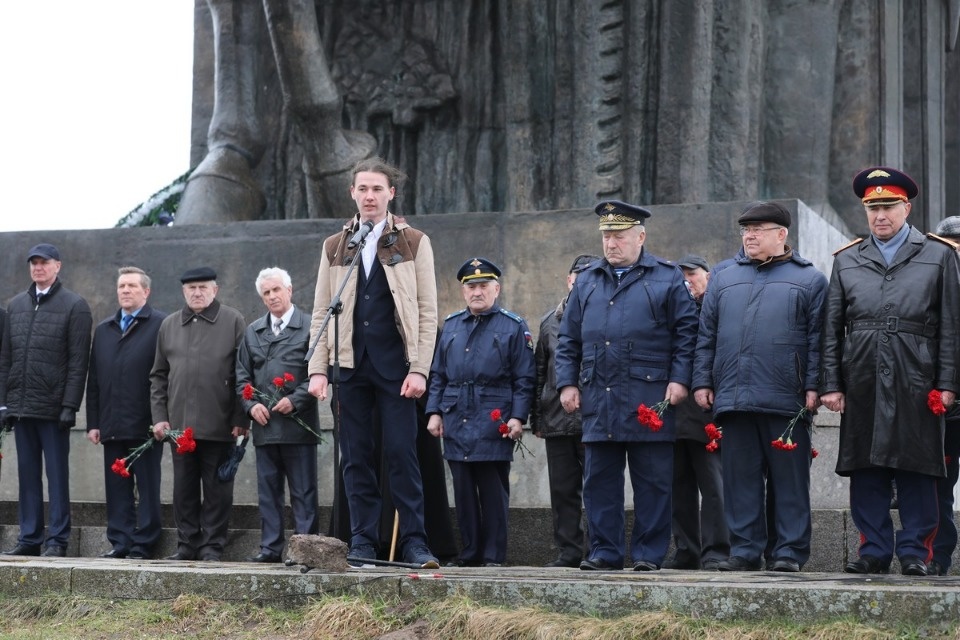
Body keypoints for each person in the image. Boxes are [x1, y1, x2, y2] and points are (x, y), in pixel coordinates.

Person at [820, 167, 960, 577]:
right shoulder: (847, 259)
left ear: (906, 208)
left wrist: (948, 383)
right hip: (861, 375)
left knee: (918, 466)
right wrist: (831, 383)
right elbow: (831, 327)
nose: (880, 215)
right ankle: (874, 550)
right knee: (866, 467)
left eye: (888, 207)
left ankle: (915, 550)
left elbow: (951, 326)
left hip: (917, 374)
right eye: (873, 207)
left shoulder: (937, 254)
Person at [308, 157, 440, 569]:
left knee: (402, 453)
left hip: (396, 367)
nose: (369, 196)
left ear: (391, 194)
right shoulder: (336, 245)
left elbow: (427, 310)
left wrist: (419, 367)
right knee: (356, 456)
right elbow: (320, 311)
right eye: (362, 189)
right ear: (352, 193)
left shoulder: (413, 241)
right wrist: (316, 368)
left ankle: (415, 542)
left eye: (377, 189)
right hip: (350, 367)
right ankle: (362, 540)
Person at [556, 201, 699, 571]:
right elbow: (568, 338)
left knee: (653, 482)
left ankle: (649, 555)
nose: (611, 244)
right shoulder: (587, 280)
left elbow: (687, 334)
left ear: (641, 236)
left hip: (648, 396)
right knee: (600, 482)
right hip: (598, 395)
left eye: (619, 236)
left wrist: (680, 379)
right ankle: (604, 552)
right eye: (606, 236)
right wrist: (567, 383)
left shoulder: (667, 277)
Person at [693, 204, 827, 572]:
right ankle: (745, 551)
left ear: (781, 235)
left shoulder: (810, 280)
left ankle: (788, 552)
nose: (749, 236)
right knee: (740, 480)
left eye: (758, 229)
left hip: (787, 398)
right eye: (745, 230)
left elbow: (818, 340)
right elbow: (707, 336)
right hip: (734, 396)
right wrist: (702, 380)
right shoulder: (723, 277)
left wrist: (814, 385)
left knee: (789, 482)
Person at [426, 258, 536, 567]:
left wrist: (517, 417)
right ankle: (470, 553)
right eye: (471, 287)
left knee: (492, 491)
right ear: (463, 291)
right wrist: (434, 412)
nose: (477, 292)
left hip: (493, 417)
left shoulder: (513, 326)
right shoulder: (451, 325)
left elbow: (524, 378)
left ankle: (493, 555)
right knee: (462, 492)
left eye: (483, 286)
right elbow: (438, 374)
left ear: (496, 289)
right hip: (456, 415)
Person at [0, 243, 92, 557]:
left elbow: (79, 361)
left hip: (54, 410)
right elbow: (6, 359)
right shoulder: (16, 305)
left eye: (44, 262)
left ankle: (57, 539)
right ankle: (29, 538)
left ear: (57, 266)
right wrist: (4, 403)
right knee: (27, 476)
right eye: (34, 263)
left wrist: (70, 406)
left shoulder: (74, 305)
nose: (38, 268)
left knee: (56, 476)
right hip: (22, 407)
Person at [150, 266, 247, 561]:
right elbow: (158, 376)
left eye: (203, 287)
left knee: (218, 491)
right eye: (191, 288)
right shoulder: (168, 325)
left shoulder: (232, 320)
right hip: (179, 428)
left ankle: (212, 547)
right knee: (183, 490)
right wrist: (159, 417)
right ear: (183, 291)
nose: (197, 292)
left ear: (215, 289)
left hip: (220, 425)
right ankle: (186, 546)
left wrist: (241, 419)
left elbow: (243, 372)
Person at [236, 267, 320, 563]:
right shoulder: (253, 331)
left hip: (298, 426)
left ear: (290, 290)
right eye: (266, 293)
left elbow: (319, 375)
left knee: (303, 492)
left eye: (276, 290)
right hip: (265, 425)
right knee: (268, 493)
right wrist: (250, 406)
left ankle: (305, 550)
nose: (272, 297)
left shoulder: (311, 326)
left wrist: (296, 400)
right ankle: (270, 548)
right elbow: (241, 377)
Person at [86, 266, 166, 559]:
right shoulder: (104, 329)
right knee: (116, 488)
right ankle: (120, 541)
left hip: (145, 424)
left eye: (132, 285)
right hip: (111, 423)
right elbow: (93, 380)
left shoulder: (160, 324)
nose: (125, 290)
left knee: (147, 486)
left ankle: (144, 543)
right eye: (121, 286)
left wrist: (161, 418)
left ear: (146, 291)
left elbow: (164, 375)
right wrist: (93, 423)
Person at [531, 253, 599, 568]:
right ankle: (569, 551)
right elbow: (540, 374)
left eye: (589, 276)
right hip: (557, 420)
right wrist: (538, 418)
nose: (581, 282)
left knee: (598, 488)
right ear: (568, 280)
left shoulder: (604, 317)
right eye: (577, 276)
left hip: (593, 420)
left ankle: (599, 551)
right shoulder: (550, 322)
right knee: (562, 491)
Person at [664, 254, 730, 571]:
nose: (687, 281)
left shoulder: (716, 310)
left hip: (707, 415)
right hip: (675, 416)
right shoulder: (671, 312)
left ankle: (717, 549)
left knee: (714, 488)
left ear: (708, 276)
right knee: (679, 488)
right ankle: (686, 550)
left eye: (692, 274)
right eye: (682, 276)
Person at [926, 215, 960, 576]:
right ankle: (938, 556)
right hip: (946, 402)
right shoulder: (928, 283)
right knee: (939, 484)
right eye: (949, 244)